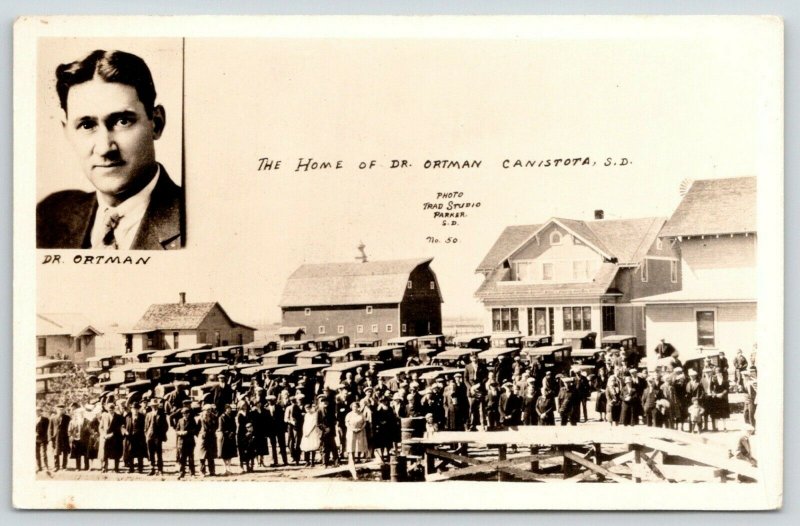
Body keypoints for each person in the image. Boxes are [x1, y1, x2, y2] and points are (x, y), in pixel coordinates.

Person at [37, 49, 183, 250]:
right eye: (87, 125)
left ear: (156, 123)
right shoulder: (49, 216)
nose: (105, 148)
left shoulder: (196, 220)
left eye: (122, 121)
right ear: (67, 131)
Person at [144, 398, 167, 476]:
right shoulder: (148, 414)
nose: (154, 407)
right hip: (149, 436)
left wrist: (161, 434)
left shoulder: (162, 414)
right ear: (151, 406)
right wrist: (147, 434)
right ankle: (152, 469)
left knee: (159, 453)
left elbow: (165, 426)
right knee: (150, 453)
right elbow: (146, 426)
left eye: (155, 405)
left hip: (158, 437)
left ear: (157, 406)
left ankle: (160, 470)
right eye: (153, 406)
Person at [123, 401, 147, 473]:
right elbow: (122, 426)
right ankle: (131, 469)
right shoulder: (128, 417)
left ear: (138, 409)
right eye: (133, 409)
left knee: (140, 454)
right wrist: (125, 431)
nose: (135, 410)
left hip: (140, 438)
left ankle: (140, 469)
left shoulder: (142, 417)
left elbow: (145, 427)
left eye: (136, 409)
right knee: (130, 453)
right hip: (130, 438)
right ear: (131, 409)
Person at [175, 407, 198, 479]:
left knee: (191, 458)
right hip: (181, 442)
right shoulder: (180, 420)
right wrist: (179, 432)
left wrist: (188, 432)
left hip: (190, 442)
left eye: (186, 413)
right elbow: (177, 429)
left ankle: (192, 473)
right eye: (184, 413)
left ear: (189, 414)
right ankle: (181, 473)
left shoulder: (192, 420)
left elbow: (195, 430)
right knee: (182, 459)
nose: (185, 415)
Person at [197, 404, 218, 477]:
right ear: (204, 410)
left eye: (210, 410)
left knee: (211, 456)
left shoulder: (214, 417)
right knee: (202, 456)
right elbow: (197, 428)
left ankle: (212, 471)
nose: (208, 411)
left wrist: (212, 431)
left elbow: (216, 426)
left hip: (211, 437)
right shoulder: (200, 418)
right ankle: (202, 471)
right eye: (207, 410)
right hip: (203, 438)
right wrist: (201, 434)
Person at [50, 404, 71, 471]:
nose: (60, 411)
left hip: (65, 437)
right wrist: (50, 437)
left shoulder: (67, 418)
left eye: (62, 409)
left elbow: (70, 427)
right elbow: (50, 428)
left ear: (64, 410)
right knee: (56, 452)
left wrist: (70, 436)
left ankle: (64, 466)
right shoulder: (53, 418)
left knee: (65, 452)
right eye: (59, 409)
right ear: (56, 410)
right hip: (56, 438)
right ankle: (56, 466)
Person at [217, 404, 238, 475]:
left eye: (230, 409)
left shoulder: (232, 416)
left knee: (230, 453)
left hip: (231, 437)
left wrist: (233, 432)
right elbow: (221, 428)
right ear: (225, 409)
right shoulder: (221, 417)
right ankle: (225, 468)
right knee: (224, 453)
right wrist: (228, 433)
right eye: (228, 409)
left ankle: (229, 467)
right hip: (225, 437)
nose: (230, 410)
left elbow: (234, 426)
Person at [36, 407, 50, 472]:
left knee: (44, 453)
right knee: (37, 453)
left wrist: (46, 437)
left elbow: (47, 429)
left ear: (41, 412)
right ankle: (39, 467)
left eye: (39, 411)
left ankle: (46, 466)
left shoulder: (45, 419)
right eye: (36, 411)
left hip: (43, 438)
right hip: (35, 439)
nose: (37, 412)